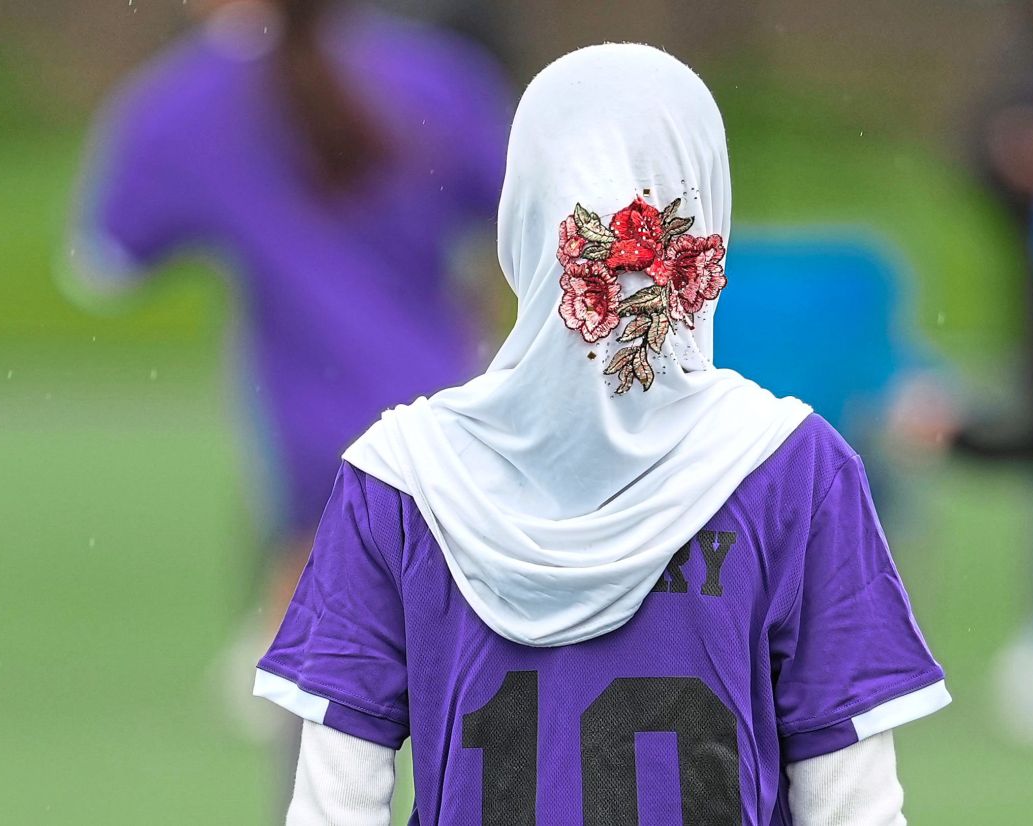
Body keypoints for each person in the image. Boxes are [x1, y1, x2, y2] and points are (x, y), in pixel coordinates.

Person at [253, 44, 949, 825]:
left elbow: (333, 805)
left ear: (522, 207)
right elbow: (853, 806)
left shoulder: (399, 473)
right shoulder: (792, 466)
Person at [66, 0, 508, 730]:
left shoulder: (183, 99)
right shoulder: (436, 73)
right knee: (473, 707)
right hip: (455, 428)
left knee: (313, 716)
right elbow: (519, 213)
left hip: (307, 449)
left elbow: (103, 263)